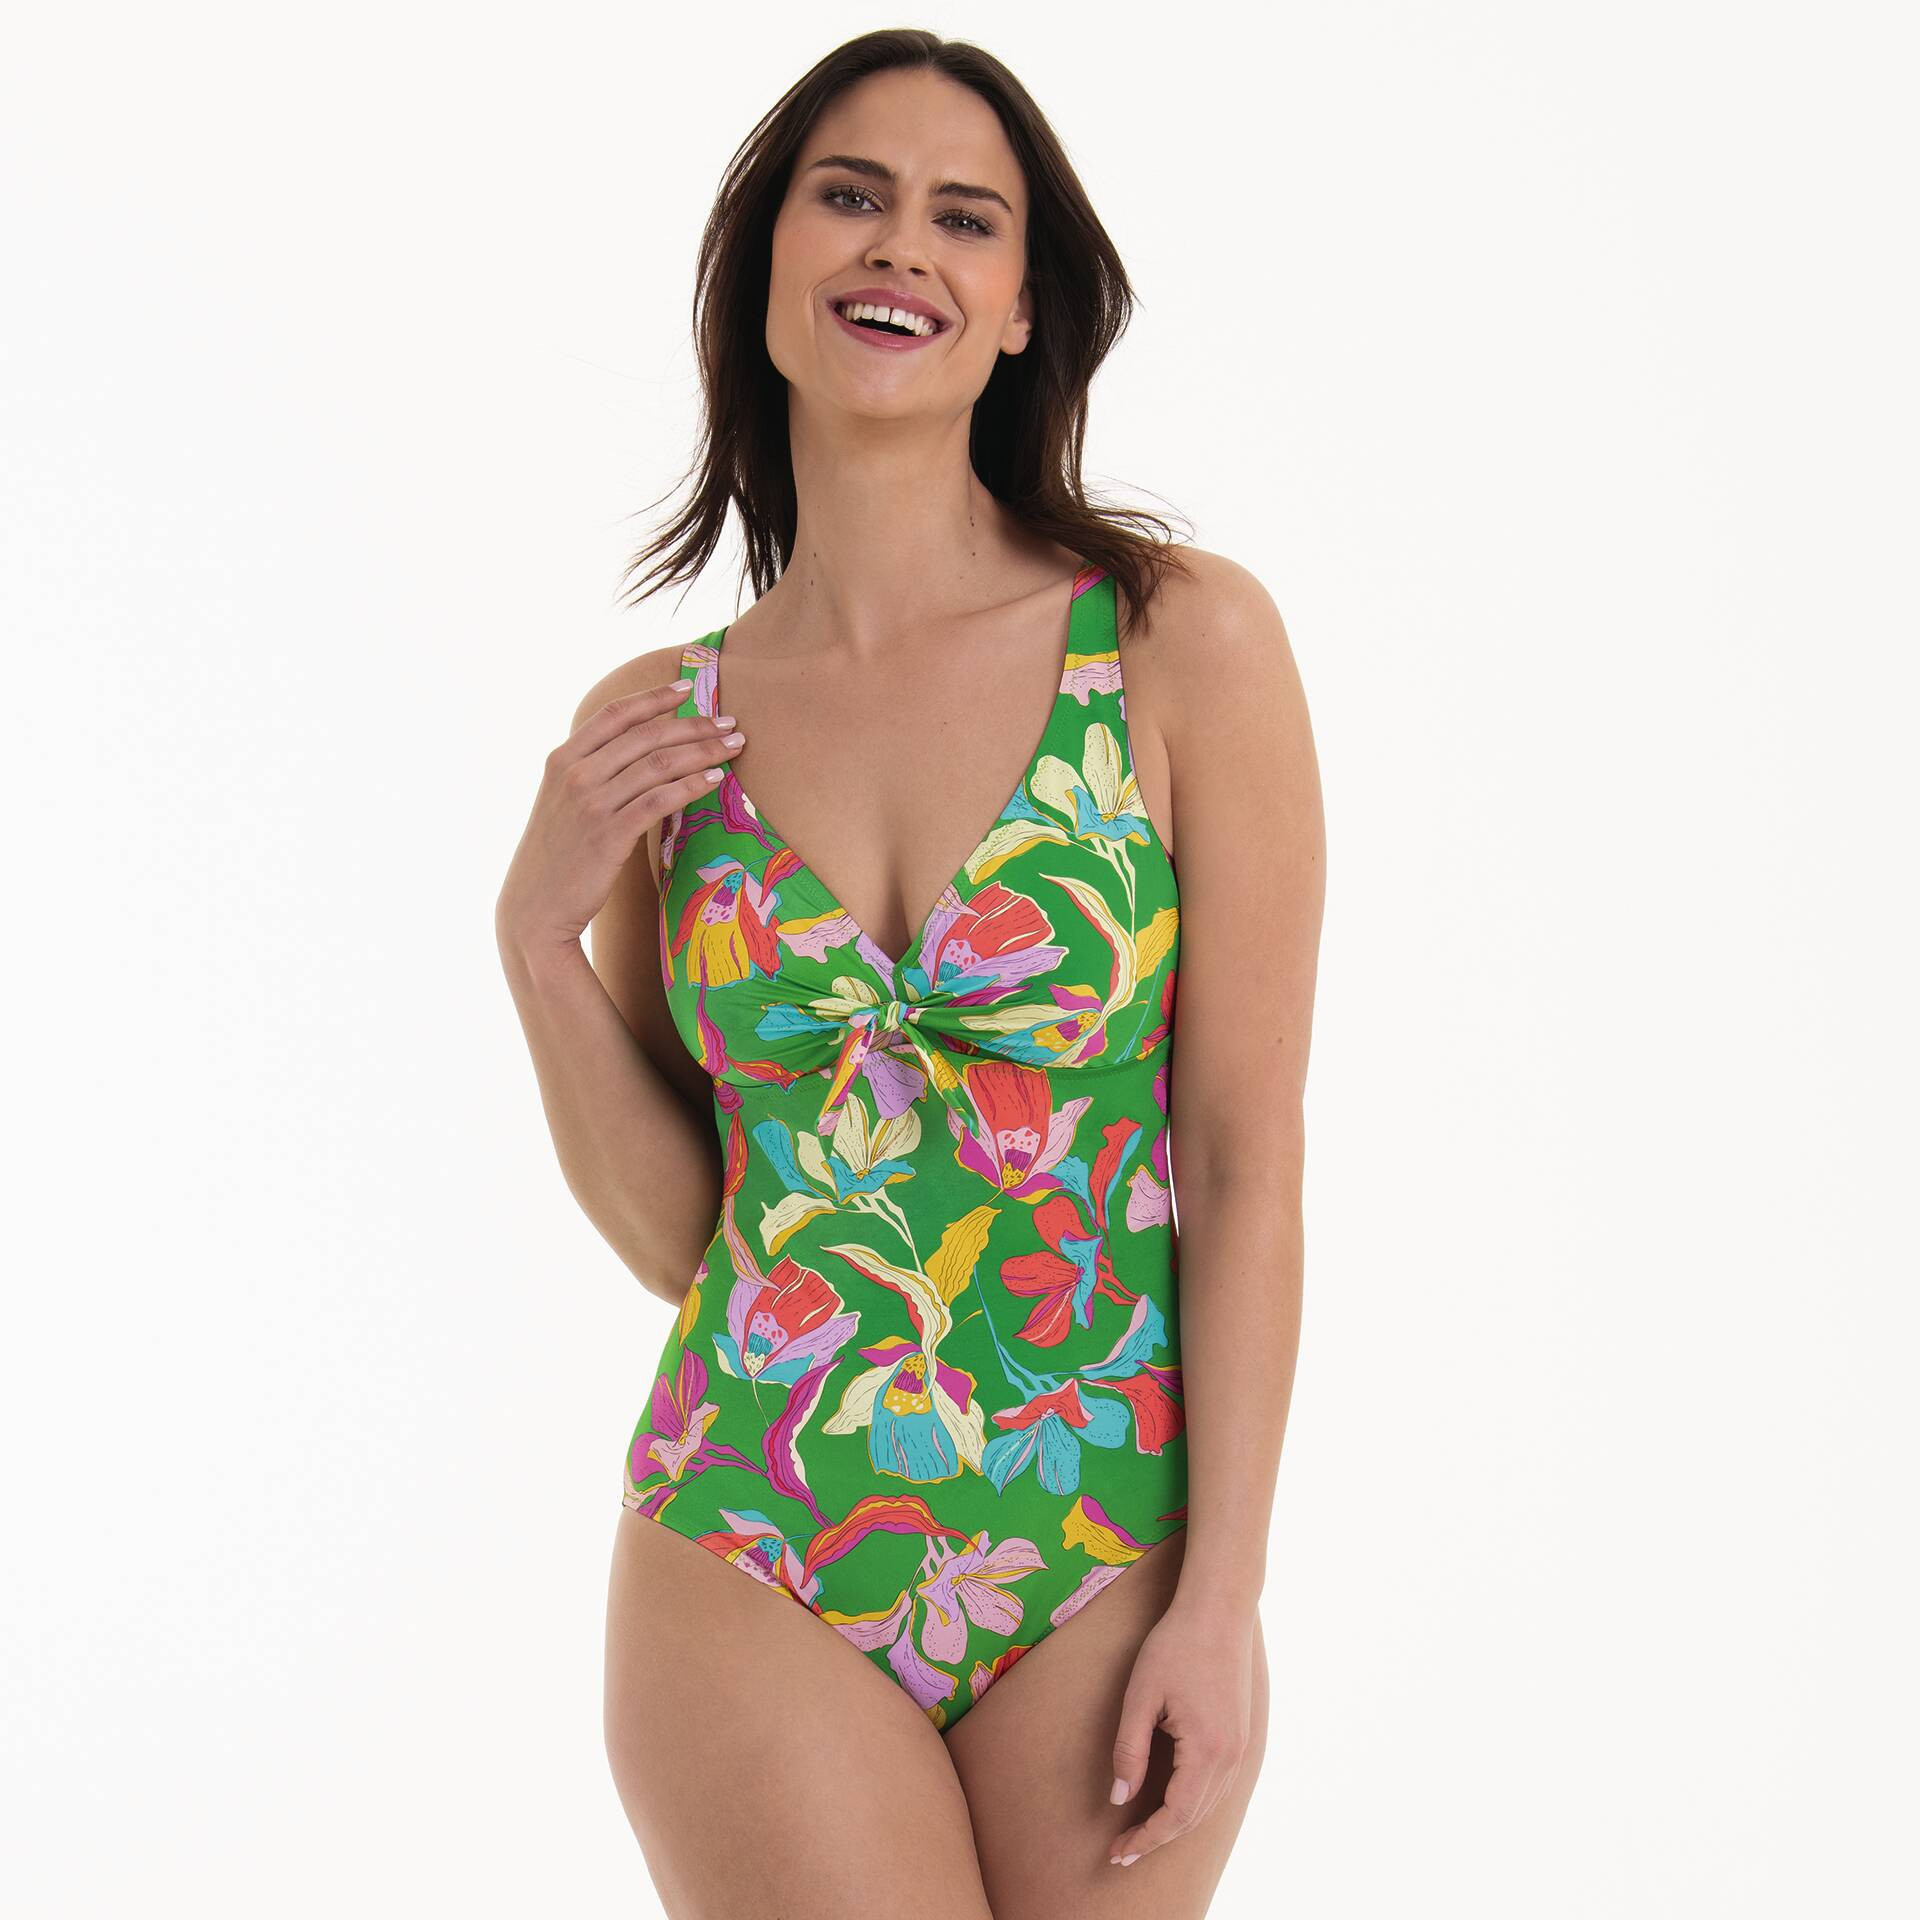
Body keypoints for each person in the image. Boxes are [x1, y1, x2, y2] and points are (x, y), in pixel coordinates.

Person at [496, 28, 1324, 1918]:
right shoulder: (661, 726)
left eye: (966, 218)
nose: (901, 248)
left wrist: (1224, 1596)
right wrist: (537, 945)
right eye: (851, 196)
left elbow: (1245, 1155)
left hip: (1106, 1537)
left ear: (1022, 308)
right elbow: (692, 1238)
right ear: (767, 266)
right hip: (753, 1527)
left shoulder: (1178, 645)